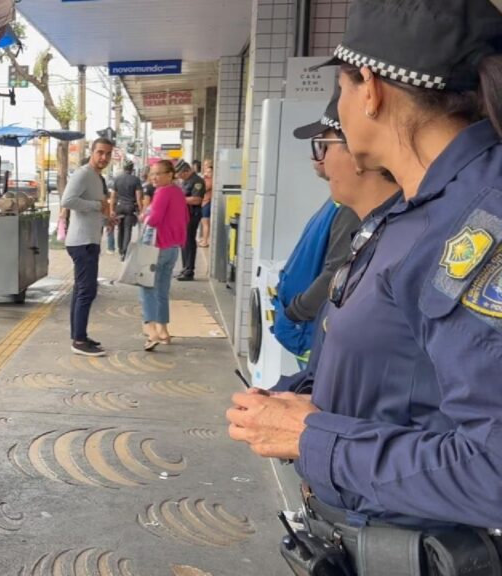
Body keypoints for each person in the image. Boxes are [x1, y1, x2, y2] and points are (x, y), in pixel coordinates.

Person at [227, 0, 502, 570]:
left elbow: (494, 469)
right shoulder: (411, 210)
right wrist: (301, 401)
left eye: (343, 87)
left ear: (371, 90)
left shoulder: (481, 223)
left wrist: (316, 438)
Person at [267, 89, 362, 365]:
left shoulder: (353, 208)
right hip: (304, 329)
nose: (317, 158)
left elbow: (338, 270)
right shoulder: (337, 200)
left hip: (311, 333)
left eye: (323, 146)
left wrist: (297, 310)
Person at [61, 138, 114, 357]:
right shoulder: (83, 174)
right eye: (100, 152)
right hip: (81, 242)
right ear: (92, 152)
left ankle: (79, 335)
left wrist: (106, 220)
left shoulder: (98, 178)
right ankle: (79, 340)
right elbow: (67, 200)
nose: (104, 157)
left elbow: (98, 207)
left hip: (90, 239)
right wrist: (95, 206)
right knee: (87, 291)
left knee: (81, 291)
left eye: (108, 154)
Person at [138, 161, 188, 349]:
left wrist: (145, 216)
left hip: (155, 247)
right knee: (162, 290)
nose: (154, 177)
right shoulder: (178, 192)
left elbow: (155, 220)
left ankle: (151, 332)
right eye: (152, 174)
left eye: (159, 174)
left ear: (170, 174)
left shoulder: (162, 192)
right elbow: (185, 218)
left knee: (146, 288)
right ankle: (163, 331)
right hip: (172, 248)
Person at [174, 159, 205, 281]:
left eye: (181, 174)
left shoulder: (197, 181)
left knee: (189, 241)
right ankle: (185, 267)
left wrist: (179, 199)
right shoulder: (186, 181)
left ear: (186, 171)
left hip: (193, 214)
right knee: (183, 241)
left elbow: (197, 199)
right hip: (184, 214)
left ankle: (189, 270)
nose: (180, 177)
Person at [110, 160, 144, 260]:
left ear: (123, 168)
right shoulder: (136, 180)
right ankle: (125, 251)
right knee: (127, 229)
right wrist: (141, 210)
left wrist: (112, 209)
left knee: (120, 229)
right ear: (132, 169)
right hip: (130, 207)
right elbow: (138, 197)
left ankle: (120, 249)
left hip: (119, 207)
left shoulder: (117, 179)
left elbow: (113, 197)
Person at [197, 159, 213, 248]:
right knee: (203, 222)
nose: (205, 167)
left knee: (205, 222)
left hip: (207, 201)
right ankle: (204, 238)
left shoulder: (209, 176)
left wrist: (205, 177)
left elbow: (206, 187)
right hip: (204, 201)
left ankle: (205, 241)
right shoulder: (205, 176)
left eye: (207, 164)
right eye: (204, 165)